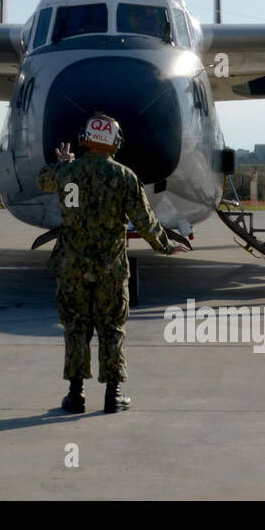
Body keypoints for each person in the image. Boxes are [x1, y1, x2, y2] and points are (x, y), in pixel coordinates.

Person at [37, 112, 178, 414]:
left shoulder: (67, 173)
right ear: (114, 142)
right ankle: (112, 396)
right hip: (110, 268)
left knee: (76, 328)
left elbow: (44, 179)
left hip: (72, 266)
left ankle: (75, 396)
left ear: (85, 139)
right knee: (112, 328)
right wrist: (166, 246)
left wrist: (65, 162)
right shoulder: (124, 177)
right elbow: (145, 220)